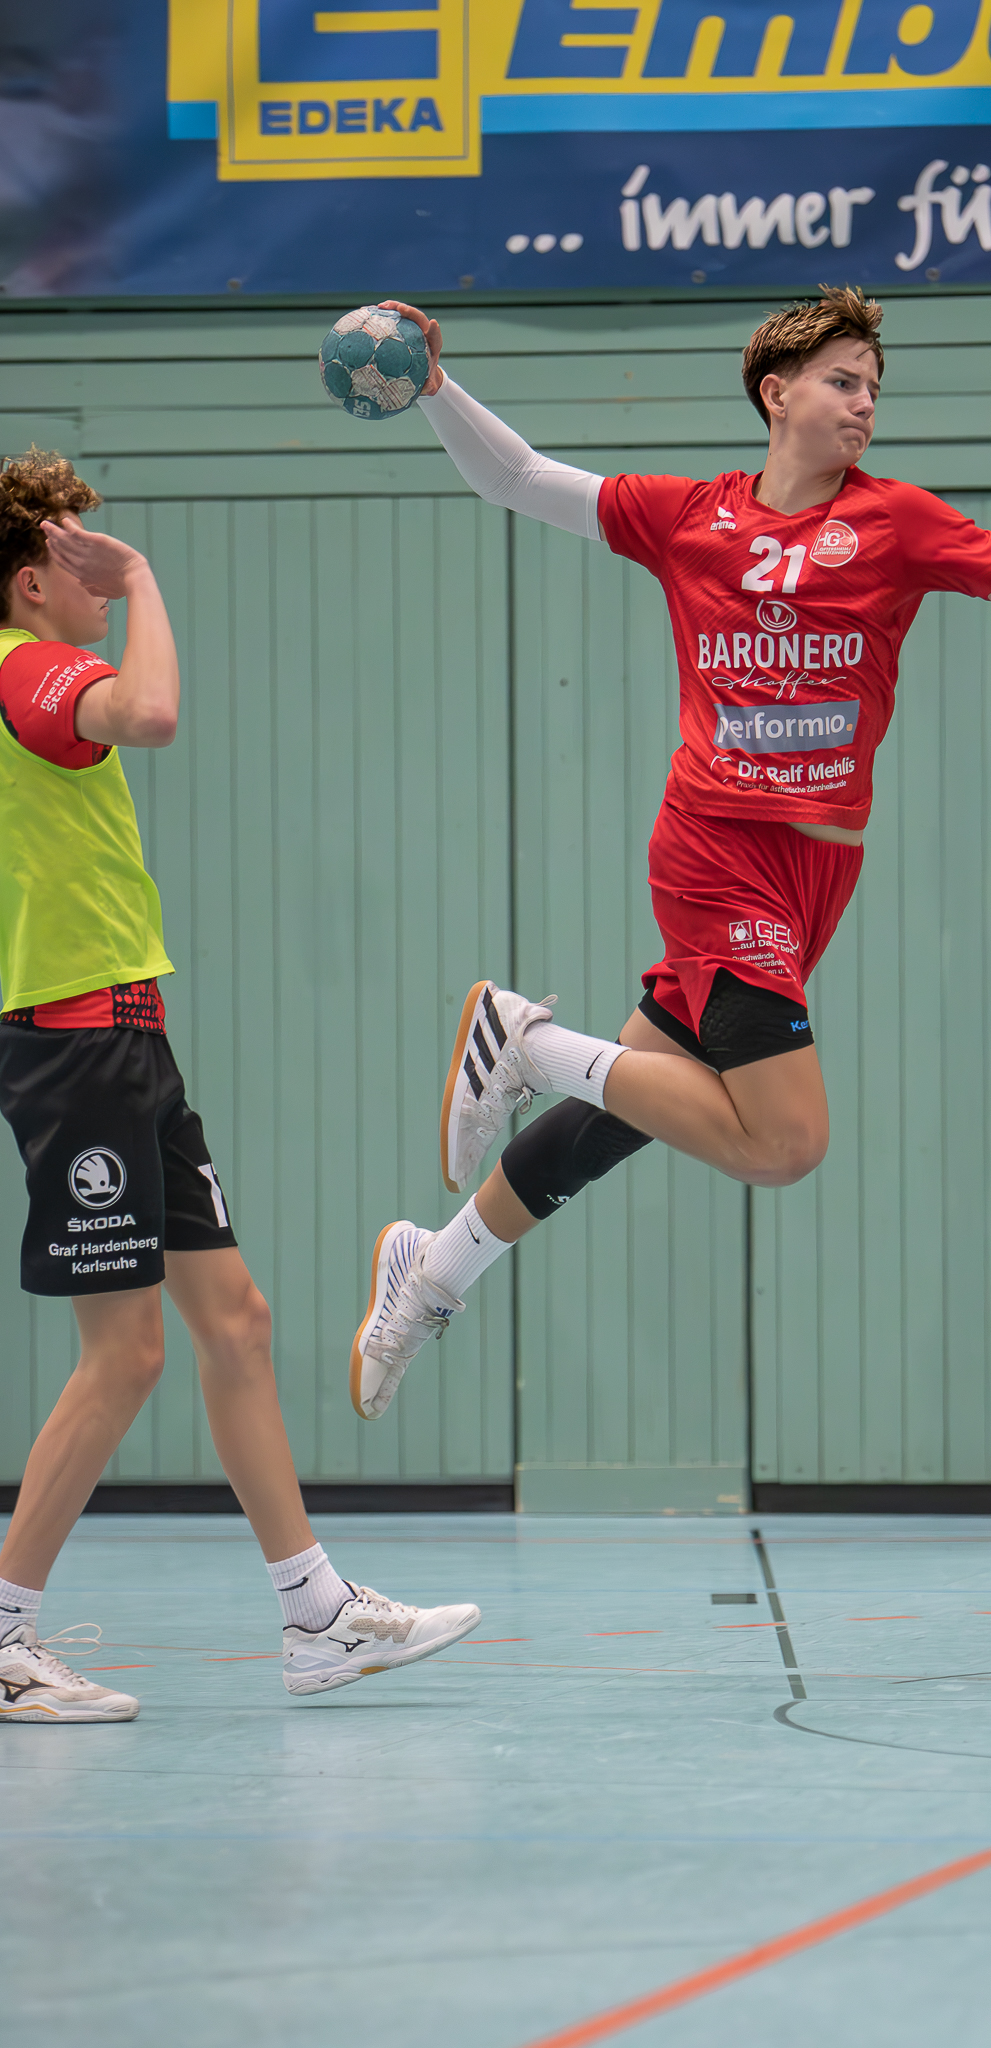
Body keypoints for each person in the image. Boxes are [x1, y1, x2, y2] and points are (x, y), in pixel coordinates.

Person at [349, 289, 991, 1419]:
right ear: (776, 393)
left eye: (873, 389)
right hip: (715, 849)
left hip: (814, 876)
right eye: (842, 381)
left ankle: (431, 1271)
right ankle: (525, 1043)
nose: (863, 404)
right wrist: (437, 388)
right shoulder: (689, 517)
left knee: (626, 1113)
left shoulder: (898, 524)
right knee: (783, 1144)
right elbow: (518, 477)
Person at [0, 449, 482, 1721]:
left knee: (238, 1321)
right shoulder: (25, 666)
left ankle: (316, 1615)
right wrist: (145, 580)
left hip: (126, 1040)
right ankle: (1, 1634)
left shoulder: (31, 668)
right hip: (78, 1047)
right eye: (78, 553)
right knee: (127, 1353)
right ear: (33, 575)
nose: (98, 575)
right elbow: (152, 712)